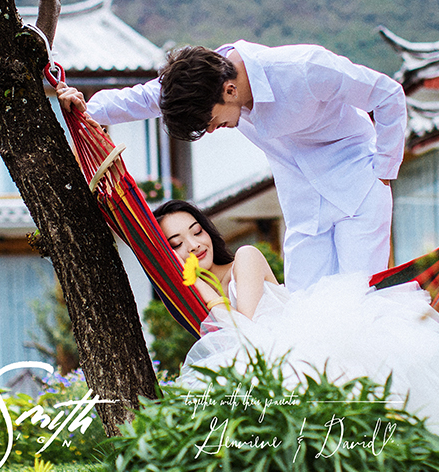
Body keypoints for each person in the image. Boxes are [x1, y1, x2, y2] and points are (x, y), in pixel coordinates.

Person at [58, 41, 407, 292]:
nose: (212, 130)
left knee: (359, 298)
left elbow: (387, 94)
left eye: (211, 122)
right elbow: (145, 98)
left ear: (229, 90)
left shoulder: (304, 68)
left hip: (357, 186)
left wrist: (384, 171)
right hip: (303, 205)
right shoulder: (199, 81)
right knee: (304, 308)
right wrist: (86, 110)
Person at [152, 200, 439, 438]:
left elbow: (247, 336)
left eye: (197, 231)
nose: (193, 245)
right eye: (177, 243)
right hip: (276, 363)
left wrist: (201, 287)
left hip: (302, 342)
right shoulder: (194, 297)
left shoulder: (245, 257)